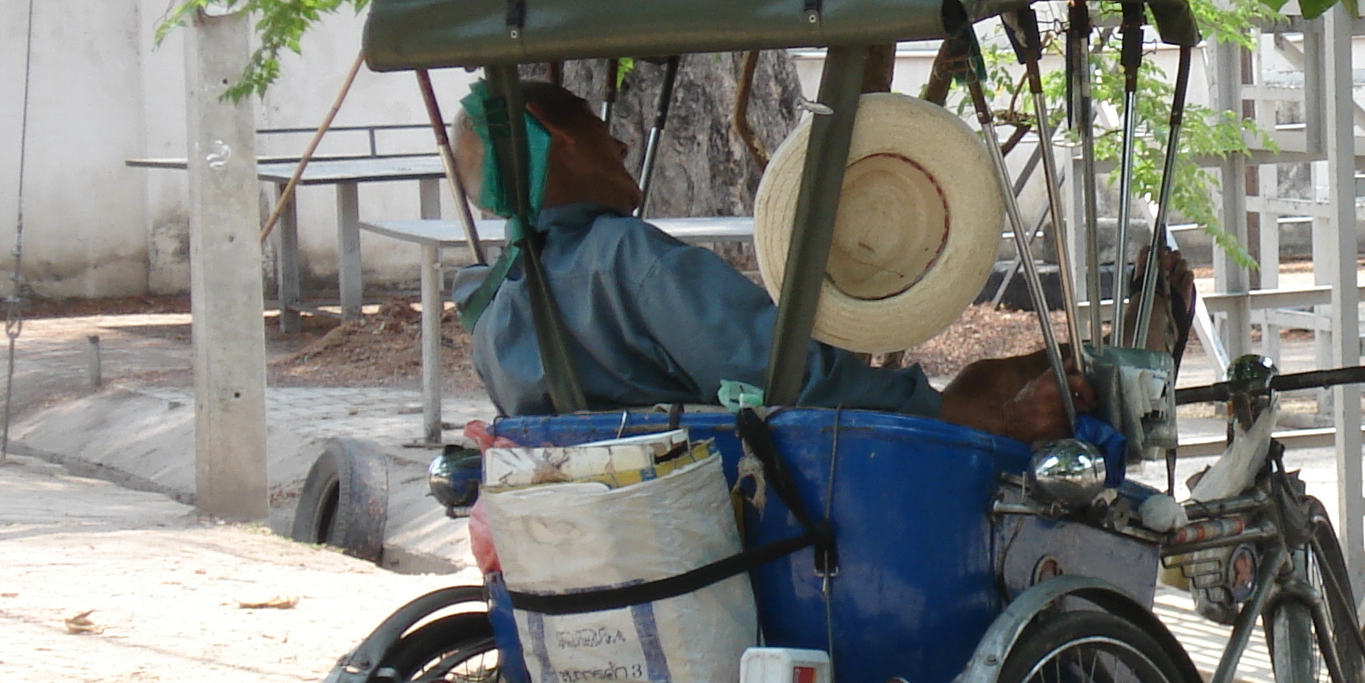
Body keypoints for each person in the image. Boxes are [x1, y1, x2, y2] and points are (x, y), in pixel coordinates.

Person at [454, 81, 1077, 439]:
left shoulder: (490, 299)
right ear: (556, 137)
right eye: (598, 125)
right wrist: (996, 418)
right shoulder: (630, 261)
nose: (619, 142)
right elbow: (787, 377)